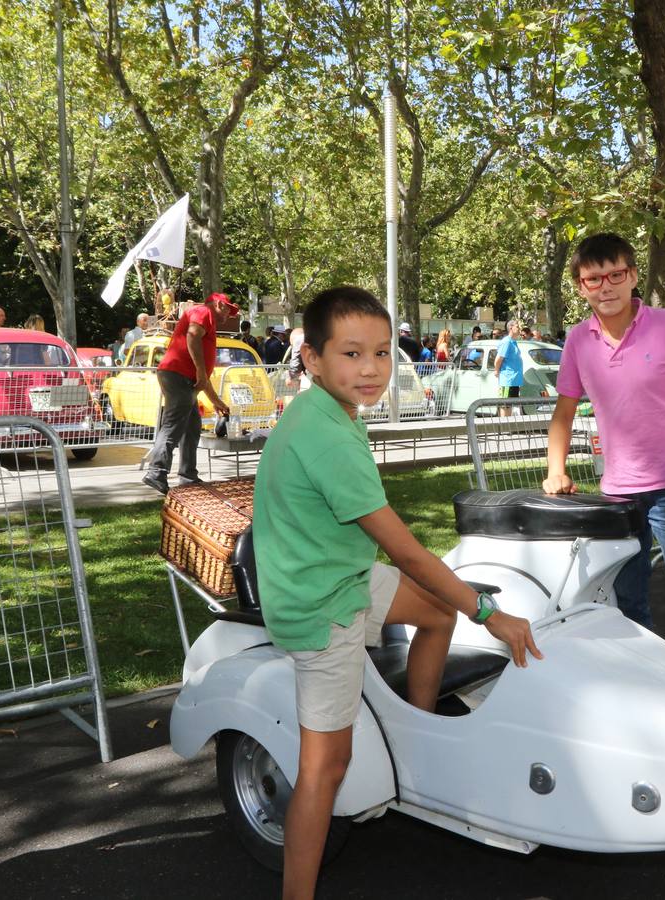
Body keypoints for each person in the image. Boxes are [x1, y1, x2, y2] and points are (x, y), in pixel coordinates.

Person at [253, 286, 540, 899]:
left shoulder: (326, 413)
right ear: (312, 359)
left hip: (339, 572)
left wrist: (461, 604)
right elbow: (406, 551)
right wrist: (490, 614)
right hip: (320, 603)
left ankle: (416, 732)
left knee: (436, 611)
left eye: (382, 353)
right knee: (324, 769)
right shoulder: (328, 435)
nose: (371, 369)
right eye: (352, 354)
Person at [542, 232, 665, 627]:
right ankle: (645, 679)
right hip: (618, 495)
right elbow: (563, 413)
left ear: (632, 276)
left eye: (615, 275)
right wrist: (555, 469)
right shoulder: (577, 340)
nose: (605, 287)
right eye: (594, 279)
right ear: (581, 286)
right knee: (626, 604)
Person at [141, 292, 237, 494]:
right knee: (173, 425)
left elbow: (202, 377)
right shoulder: (203, 312)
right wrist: (201, 373)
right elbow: (192, 336)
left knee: (192, 426)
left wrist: (216, 401)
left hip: (183, 377)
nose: (229, 315)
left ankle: (187, 476)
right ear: (219, 304)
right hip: (178, 376)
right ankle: (156, 472)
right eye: (228, 309)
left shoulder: (203, 316)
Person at [493, 319, 525, 417]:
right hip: (507, 379)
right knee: (505, 405)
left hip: (514, 379)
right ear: (511, 328)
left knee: (509, 404)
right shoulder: (506, 342)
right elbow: (498, 359)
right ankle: (504, 427)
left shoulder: (513, 342)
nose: (520, 329)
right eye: (517, 326)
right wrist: (497, 371)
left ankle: (508, 426)